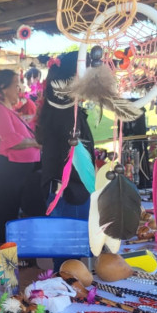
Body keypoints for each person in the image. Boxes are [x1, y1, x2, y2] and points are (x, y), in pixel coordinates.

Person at [0, 69, 42, 243]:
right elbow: (11, 141)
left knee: (8, 215)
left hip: (13, 171)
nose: (19, 89)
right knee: (1, 217)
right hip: (5, 171)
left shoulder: (7, 110)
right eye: (16, 85)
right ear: (4, 88)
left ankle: (5, 257)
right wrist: (37, 143)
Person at [36, 52, 95, 222]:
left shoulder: (58, 112)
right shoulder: (69, 116)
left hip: (65, 193)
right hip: (71, 196)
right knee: (73, 244)